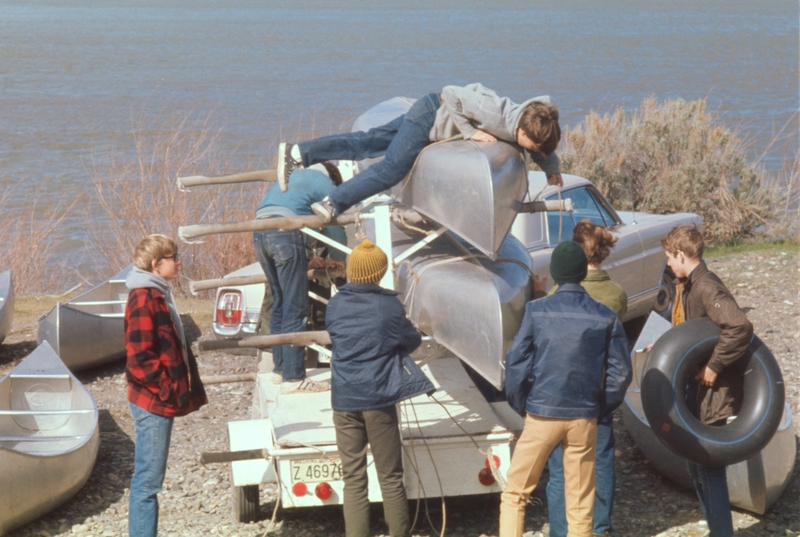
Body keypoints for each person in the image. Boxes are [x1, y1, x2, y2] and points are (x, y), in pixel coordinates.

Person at [276, 83, 563, 222]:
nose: (535, 153)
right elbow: (450, 93)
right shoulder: (497, 114)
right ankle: (333, 203)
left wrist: (552, 169)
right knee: (391, 170)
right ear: (523, 133)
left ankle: (300, 152)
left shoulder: (526, 125)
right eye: (534, 148)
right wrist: (469, 132)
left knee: (365, 144)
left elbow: (542, 149)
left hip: (427, 115)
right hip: (427, 118)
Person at [501, 241, 632, 537]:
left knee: (515, 495)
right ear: (582, 273)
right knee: (581, 505)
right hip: (584, 418)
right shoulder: (605, 315)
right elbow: (621, 372)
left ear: (556, 274)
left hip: (542, 414)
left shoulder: (536, 310)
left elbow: (516, 364)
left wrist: (522, 404)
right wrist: (601, 407)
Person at [325, 239, 435, 537]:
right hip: (379, 398)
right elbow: (410, 341)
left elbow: (337, 337)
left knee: (353, 477)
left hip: (344, 399)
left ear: (351, 271)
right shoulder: (389, 305)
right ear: (379, 272)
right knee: (390, 477)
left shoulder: (335, 304)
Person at [661, 224, 753, 537]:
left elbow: (739, 326)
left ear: (681, 254)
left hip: (712, 389)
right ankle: (717, 529)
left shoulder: (706, 286)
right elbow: (691, 330)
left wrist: (714, 365)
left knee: (709, 466)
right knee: (695, 464)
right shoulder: (688, 284)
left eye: (669, 258)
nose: (668, 265)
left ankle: (722, 532)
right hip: (696, 386)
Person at [545, 220, 627, 537]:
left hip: (561, 394)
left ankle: (560, 529)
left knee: (560, 468)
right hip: (598, 393)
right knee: (602, 460)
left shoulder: (555, 293)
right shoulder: (616, 294)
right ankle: (600, 526)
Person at [124, 234, 207, 537]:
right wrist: (168, 390)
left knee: (149, 481)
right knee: (147, 482)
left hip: (155, 399)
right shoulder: (144, 297)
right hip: (152, 403)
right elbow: (139, 359)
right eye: (174, 256)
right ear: (157, 264)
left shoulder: (156, 292)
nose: (179, 261)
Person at [253, 161, 347, 393]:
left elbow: (299, 211)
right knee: (296, 307)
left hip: (259, 232)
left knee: (280, 302)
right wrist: (339, 257)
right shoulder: (325, 183)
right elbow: (333, 224)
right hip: (285, 232)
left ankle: (281, 369)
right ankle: (295, 378)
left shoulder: (289, 178)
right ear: (333, 179)